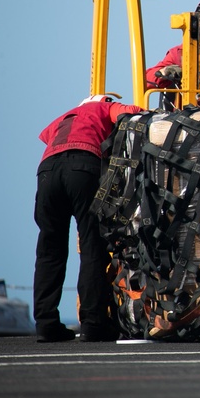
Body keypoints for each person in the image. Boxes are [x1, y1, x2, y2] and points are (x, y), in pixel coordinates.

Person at [33, 95, 143, 343]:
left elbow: (45, 135)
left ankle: (46, 324)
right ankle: (93, 324)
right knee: (93, 246)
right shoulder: (105, 107)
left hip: (48, 171)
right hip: (83, 166)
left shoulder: (64, 116)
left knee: (50, 250)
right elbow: (133, 112)